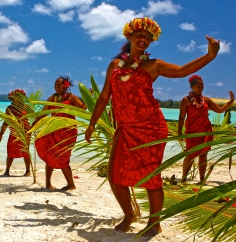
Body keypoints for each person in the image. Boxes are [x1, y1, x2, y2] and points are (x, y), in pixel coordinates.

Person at [84, 17, 220, 237]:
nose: (143, 40)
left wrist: (210, 55)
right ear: (129, 36)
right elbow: (104, 96)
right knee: (114, 175)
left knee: (150, 177)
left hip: (151, 127)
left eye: (148, 37)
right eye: (139, 35)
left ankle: (155, 222)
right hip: (126, 127)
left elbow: (182, 71)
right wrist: (92, 123)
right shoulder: (114, 65)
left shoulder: (153, 65)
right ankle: (129, 215)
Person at [34, 75, 87, 191]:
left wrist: (88, 98)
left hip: (68, 132)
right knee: (49, 155)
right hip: (52, 131)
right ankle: (48, 184)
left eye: (59, 85)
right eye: (55, 85)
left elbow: (82, 109)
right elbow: (43, 114)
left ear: (65, 86)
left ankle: (71, 184)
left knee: (63, 157)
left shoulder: (71, 98)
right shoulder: (51, 99)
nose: (56, 87)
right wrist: (34, 125)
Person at [179, 74, 235, 183]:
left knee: (203, 155)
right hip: (192, 131)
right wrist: (179, 132)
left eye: (202, 85)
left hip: (205, 131)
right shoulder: (186, 100)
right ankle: (184, 179)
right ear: (192, 86)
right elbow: (181, 117)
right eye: (198, 85)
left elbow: (219, 110)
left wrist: (230, 102)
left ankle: (202, 179)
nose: (201, 87)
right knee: (190, 155)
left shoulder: (206, 100)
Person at [0, 89, 31, 176]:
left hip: (25, 132)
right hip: (14, 132)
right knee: (10, 151)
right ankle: (7, 170)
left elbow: (34, 118)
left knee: (26, 152)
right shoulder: (9, 108)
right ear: (13, 97)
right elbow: (6, 122)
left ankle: (28, 171)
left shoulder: (26, 107)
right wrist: (1, 134)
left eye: (20, 96)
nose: (19, 98)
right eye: (17, 96)